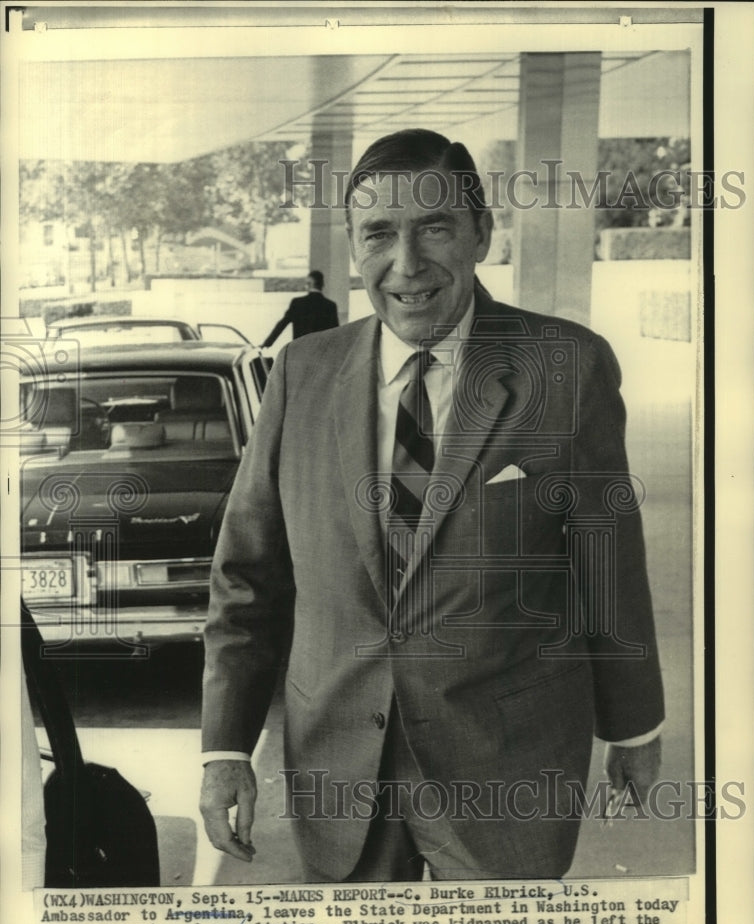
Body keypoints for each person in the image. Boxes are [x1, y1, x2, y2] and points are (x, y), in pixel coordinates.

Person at [200, 129, 664, 882]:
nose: (406, 266)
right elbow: (248, 578)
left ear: (481, 232)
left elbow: (606, 568)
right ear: (352, 246)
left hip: (508, 764)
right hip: (338, 765)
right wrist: (224, 749)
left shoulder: (565, 366)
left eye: (435, 228)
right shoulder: (301, 374)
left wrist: (635, 726)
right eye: (378, 234)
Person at [261, 269, 339, 347]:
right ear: (322, 285)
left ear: (309, 284)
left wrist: (266, 344)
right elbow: (336, 333)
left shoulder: (297, 303)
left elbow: (282, 324)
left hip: (299, 350)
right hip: (321, 351)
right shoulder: (330, 306)